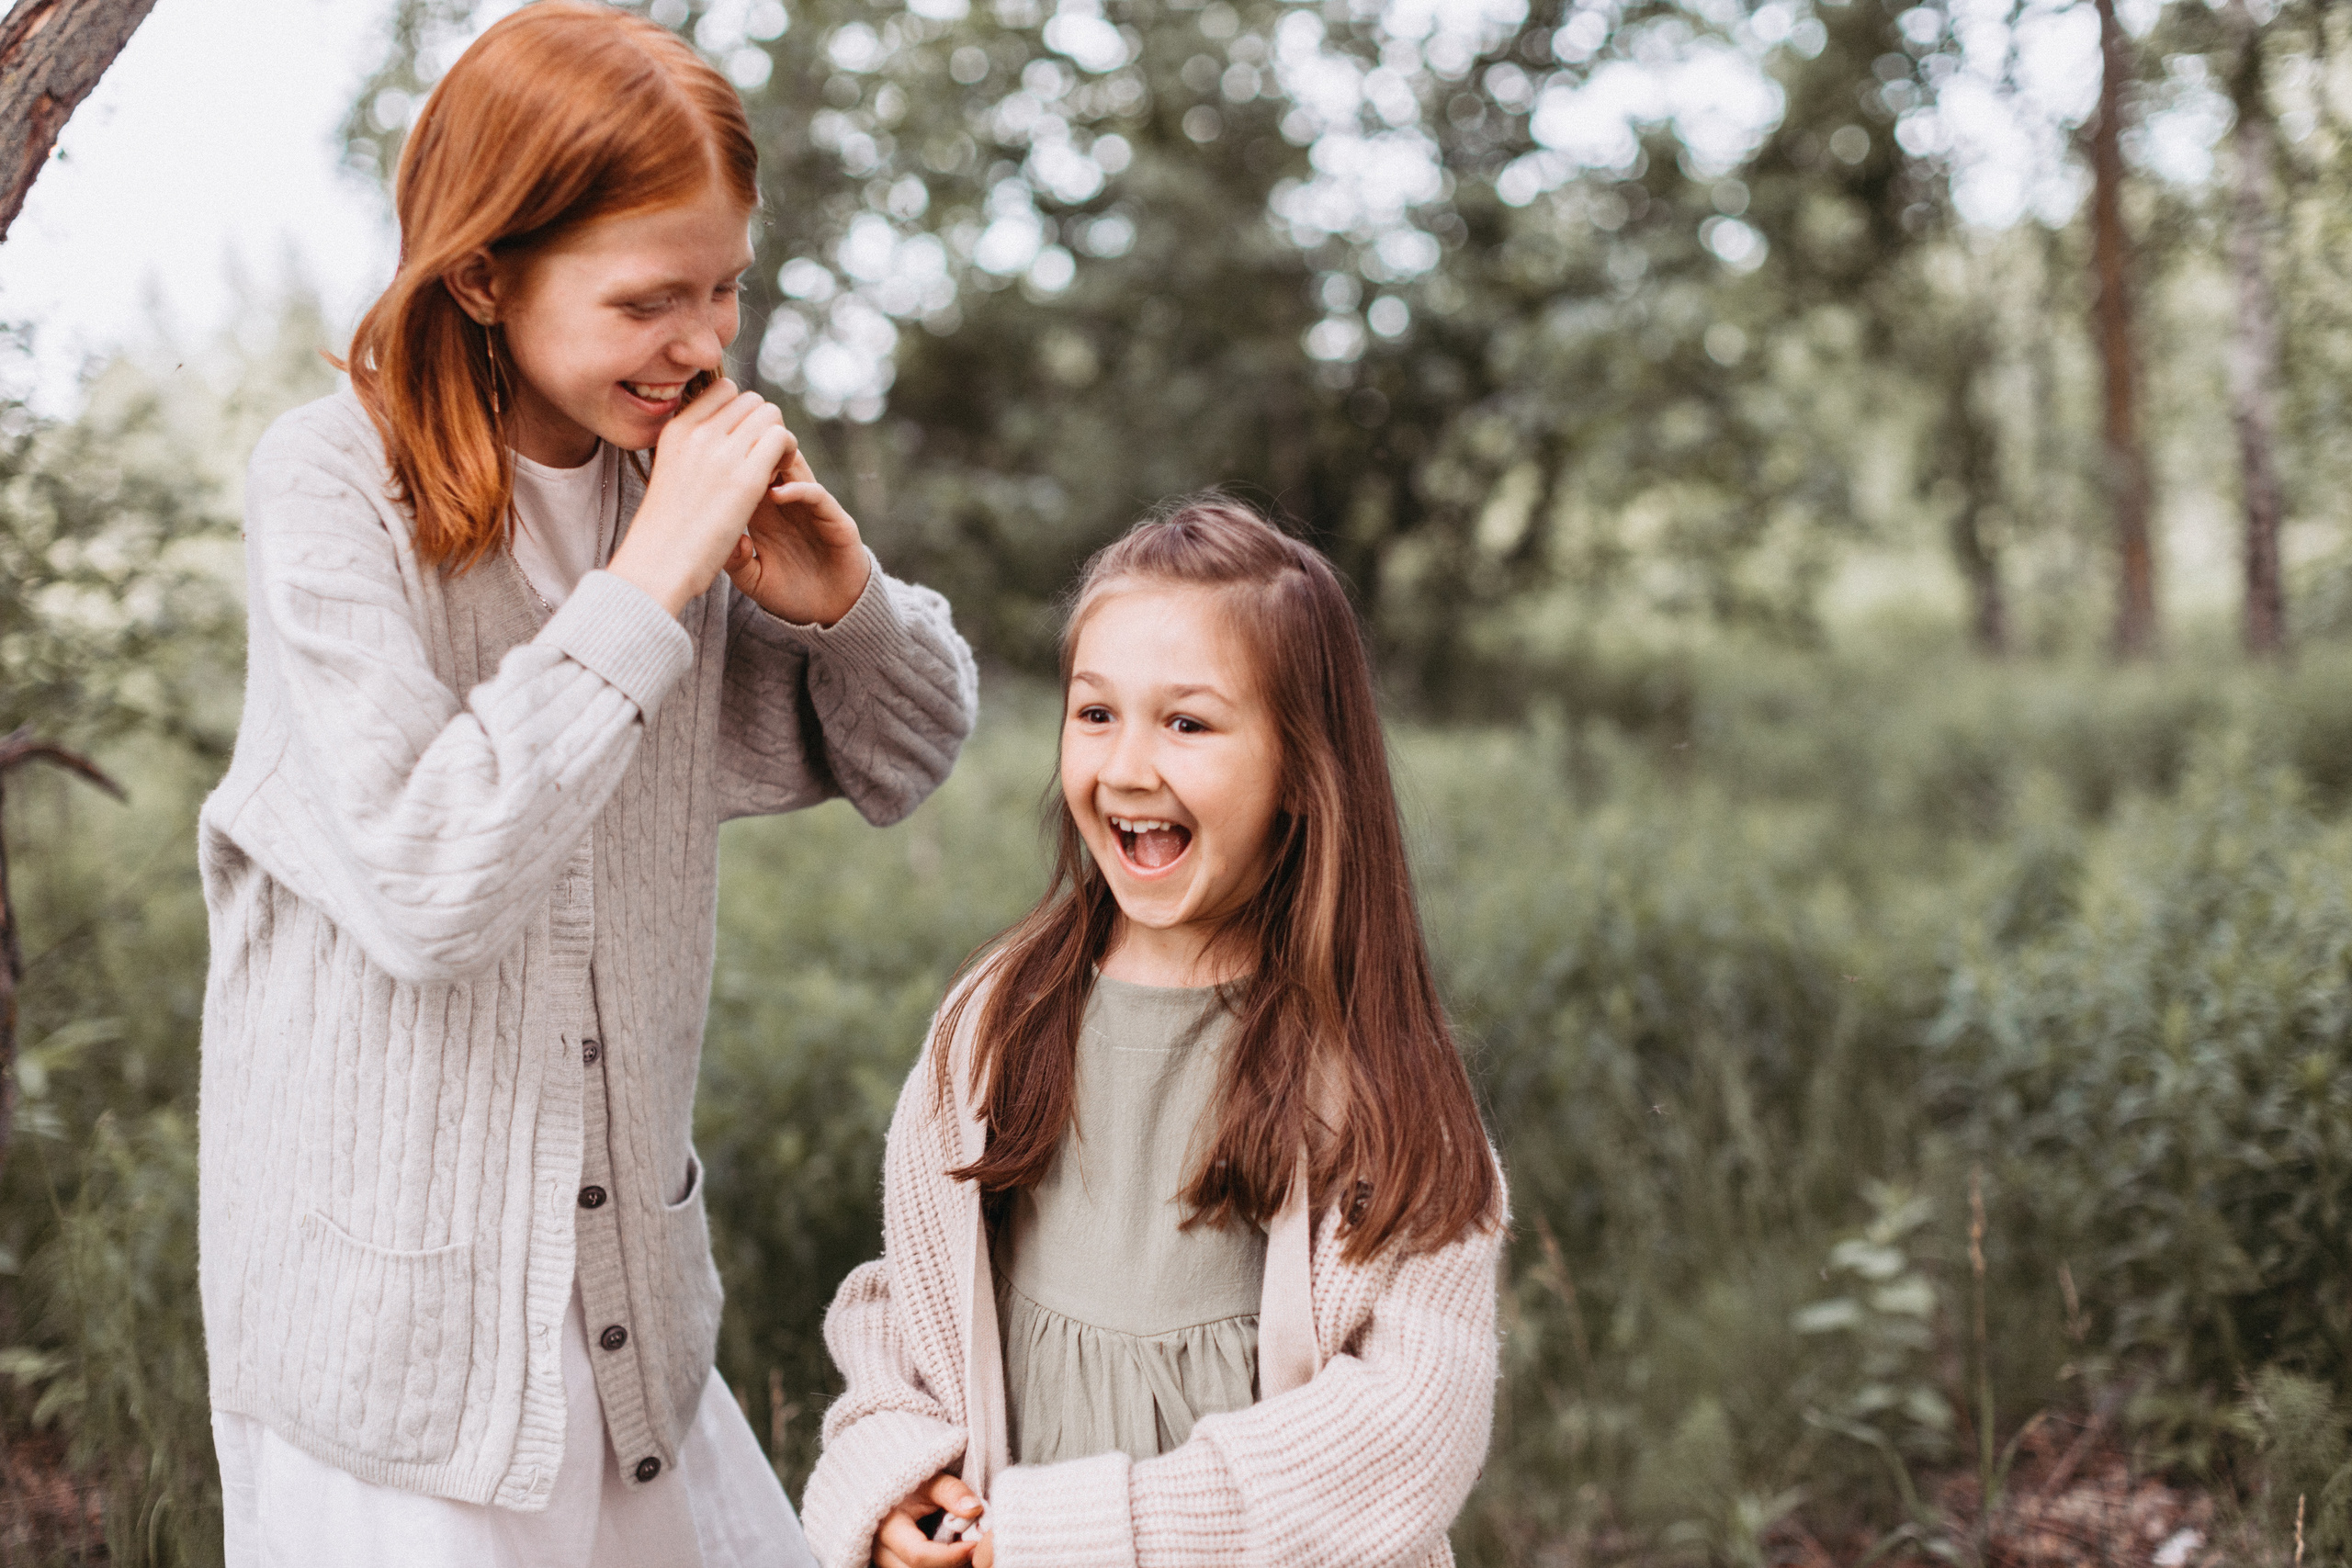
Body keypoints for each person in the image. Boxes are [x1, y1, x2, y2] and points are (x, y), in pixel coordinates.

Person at [195, 6, 978, 1564]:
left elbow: (899, 753)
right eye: (646, 300)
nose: (701, 344)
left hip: (622, 1303)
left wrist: (840, 601)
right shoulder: (332, 484)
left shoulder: (661, 474)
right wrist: (652, 576)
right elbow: (428, 878)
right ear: (483, 275)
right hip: (393, 1344)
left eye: (726, 288)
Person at [799, 499, 1504, 1568]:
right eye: (1096, 714)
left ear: (1303, 771)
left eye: (1186, 723)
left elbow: (1407, 1427)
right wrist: (893, 1466)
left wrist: (1093, 1534)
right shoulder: (1001, 1015)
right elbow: (915, 1293)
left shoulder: (1369, 1067)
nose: (1127, 767)